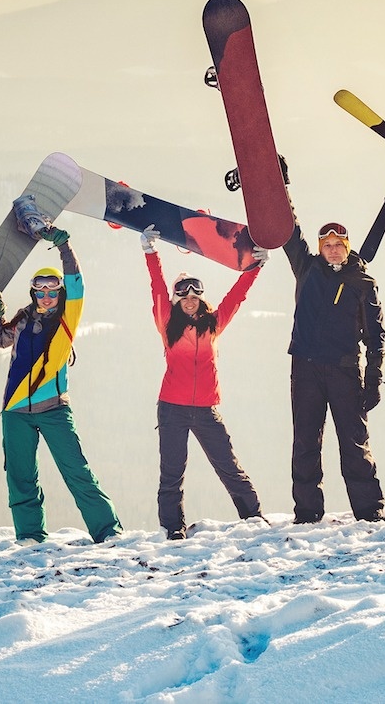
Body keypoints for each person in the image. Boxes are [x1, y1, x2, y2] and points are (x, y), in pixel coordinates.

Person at [0, 199, 121, 543]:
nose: (46, 296)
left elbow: (78, 284)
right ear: (33, 293)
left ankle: (108, 532)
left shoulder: (66, 321)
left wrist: (63, 245)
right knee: (20, 476)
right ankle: (30, 536)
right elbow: (0, 340)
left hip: (54, 409)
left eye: (52, 290)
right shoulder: (22, 319)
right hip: (14, 410)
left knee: (76, 471)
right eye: (40, 290)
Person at [143, 226, 266, 538]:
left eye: (194, 293)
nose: (188, 298)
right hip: (172, 408)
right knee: (172, 472)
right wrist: (150, 253)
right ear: (176, 299)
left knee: (228, 465)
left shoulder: (214, 324)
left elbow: (236, 297)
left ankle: (253, 517)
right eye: (182, 293)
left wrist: (255, 267)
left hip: (206, 409)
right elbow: (157, 287)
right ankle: (173, 529)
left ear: (200, 297)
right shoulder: (167, 324)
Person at [283, 218, 385, 523]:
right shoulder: (307, 268)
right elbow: (289, 230)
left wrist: (374, 379)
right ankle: (307, 513)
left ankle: (369, 512)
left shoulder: (362, 282)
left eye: (338, 246)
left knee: (354, 442)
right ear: (319, 249)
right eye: (326, 246)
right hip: (306, 368)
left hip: (344, 370)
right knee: (305, 442)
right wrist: (279, 179)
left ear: (347, 247)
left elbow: (376, 336)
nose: (332, 251)